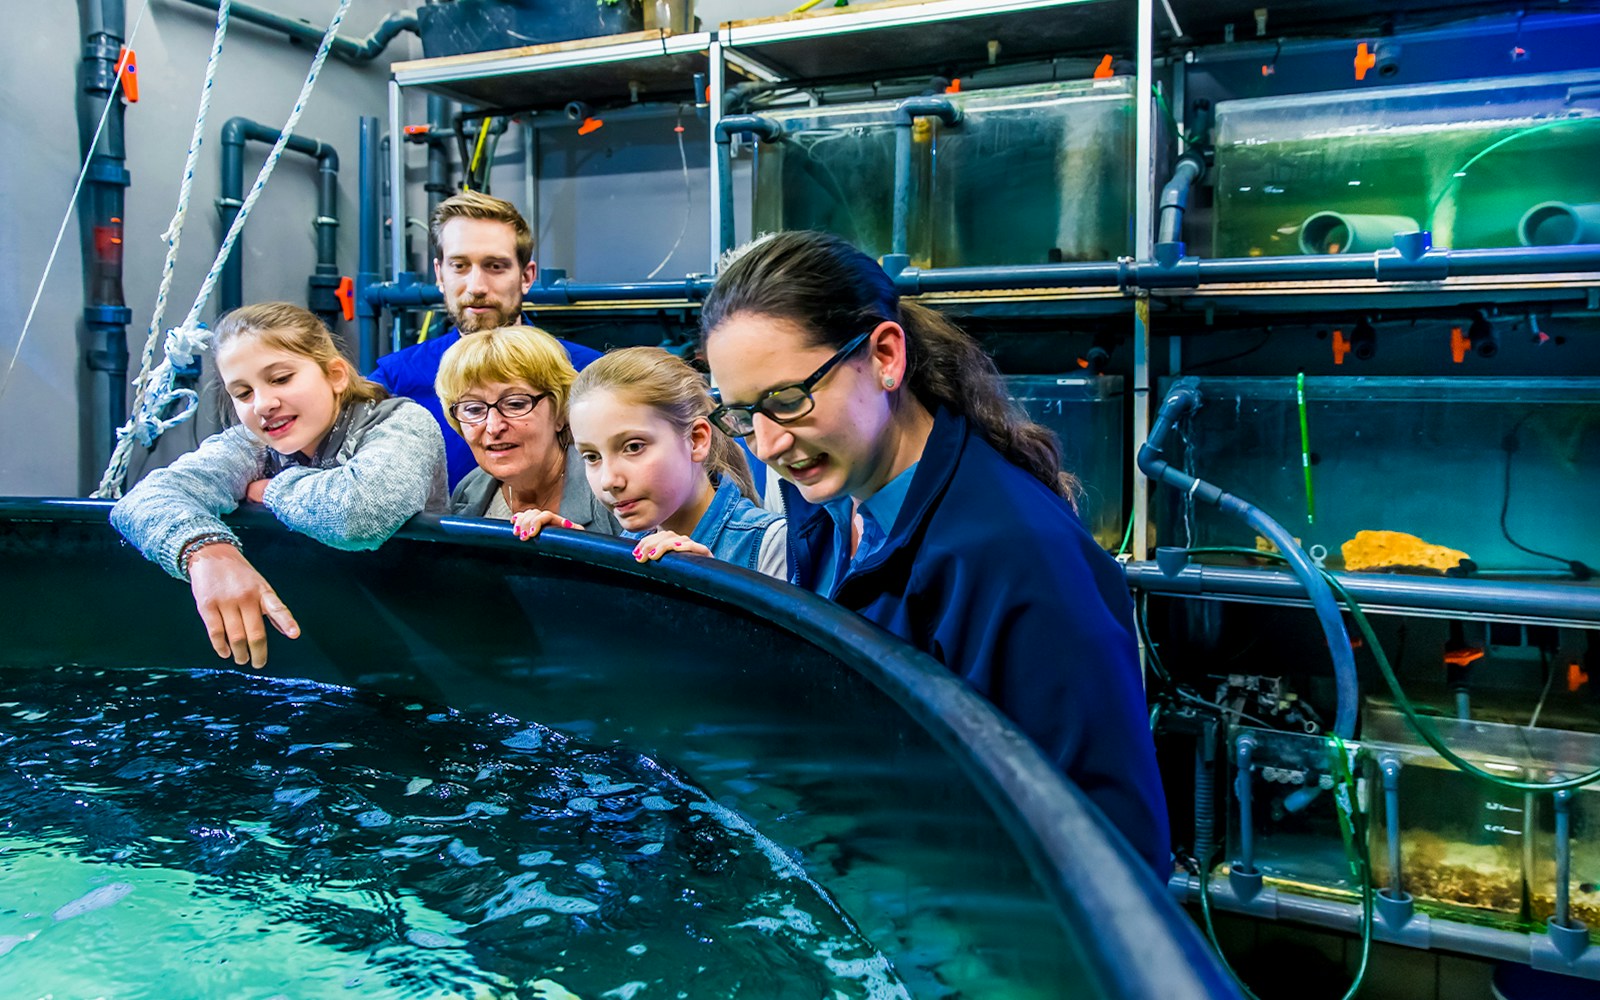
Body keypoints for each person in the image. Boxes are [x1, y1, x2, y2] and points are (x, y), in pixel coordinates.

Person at [698, 231, 1169, 873]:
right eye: (744, 413)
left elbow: (1116, 845)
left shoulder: (1013, 558)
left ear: (885, 357)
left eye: (787, 400)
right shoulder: (828, 504)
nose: (770, 444)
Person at [111, 302, 448, 670]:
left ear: (336, 375)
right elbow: (141, 501)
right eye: (243, 393)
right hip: (318, 650)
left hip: (430, 648)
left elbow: (360, 513)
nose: (262, 405)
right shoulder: (252, 445)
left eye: (281, 378)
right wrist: (207, 552)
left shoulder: (401, 422)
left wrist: (269, 491)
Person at [369, 191, 602, 488]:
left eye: (495, 266)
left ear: (527, 276)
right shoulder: (396, 380)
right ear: (439, 275)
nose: (477, 286)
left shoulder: (588, 374)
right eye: (460, 266)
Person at [559, 346, 786, 578]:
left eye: (634, 447)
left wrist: (713, 584)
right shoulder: (625, 548)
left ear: (696, 439)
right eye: (592, 457)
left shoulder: (772, 545)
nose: (609, 481)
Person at [435, 324, 619, 535]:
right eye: (474, 409)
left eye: (515, 404)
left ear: (561, 411)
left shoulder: (610, 487)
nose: (494, 427)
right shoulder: (468, 492)